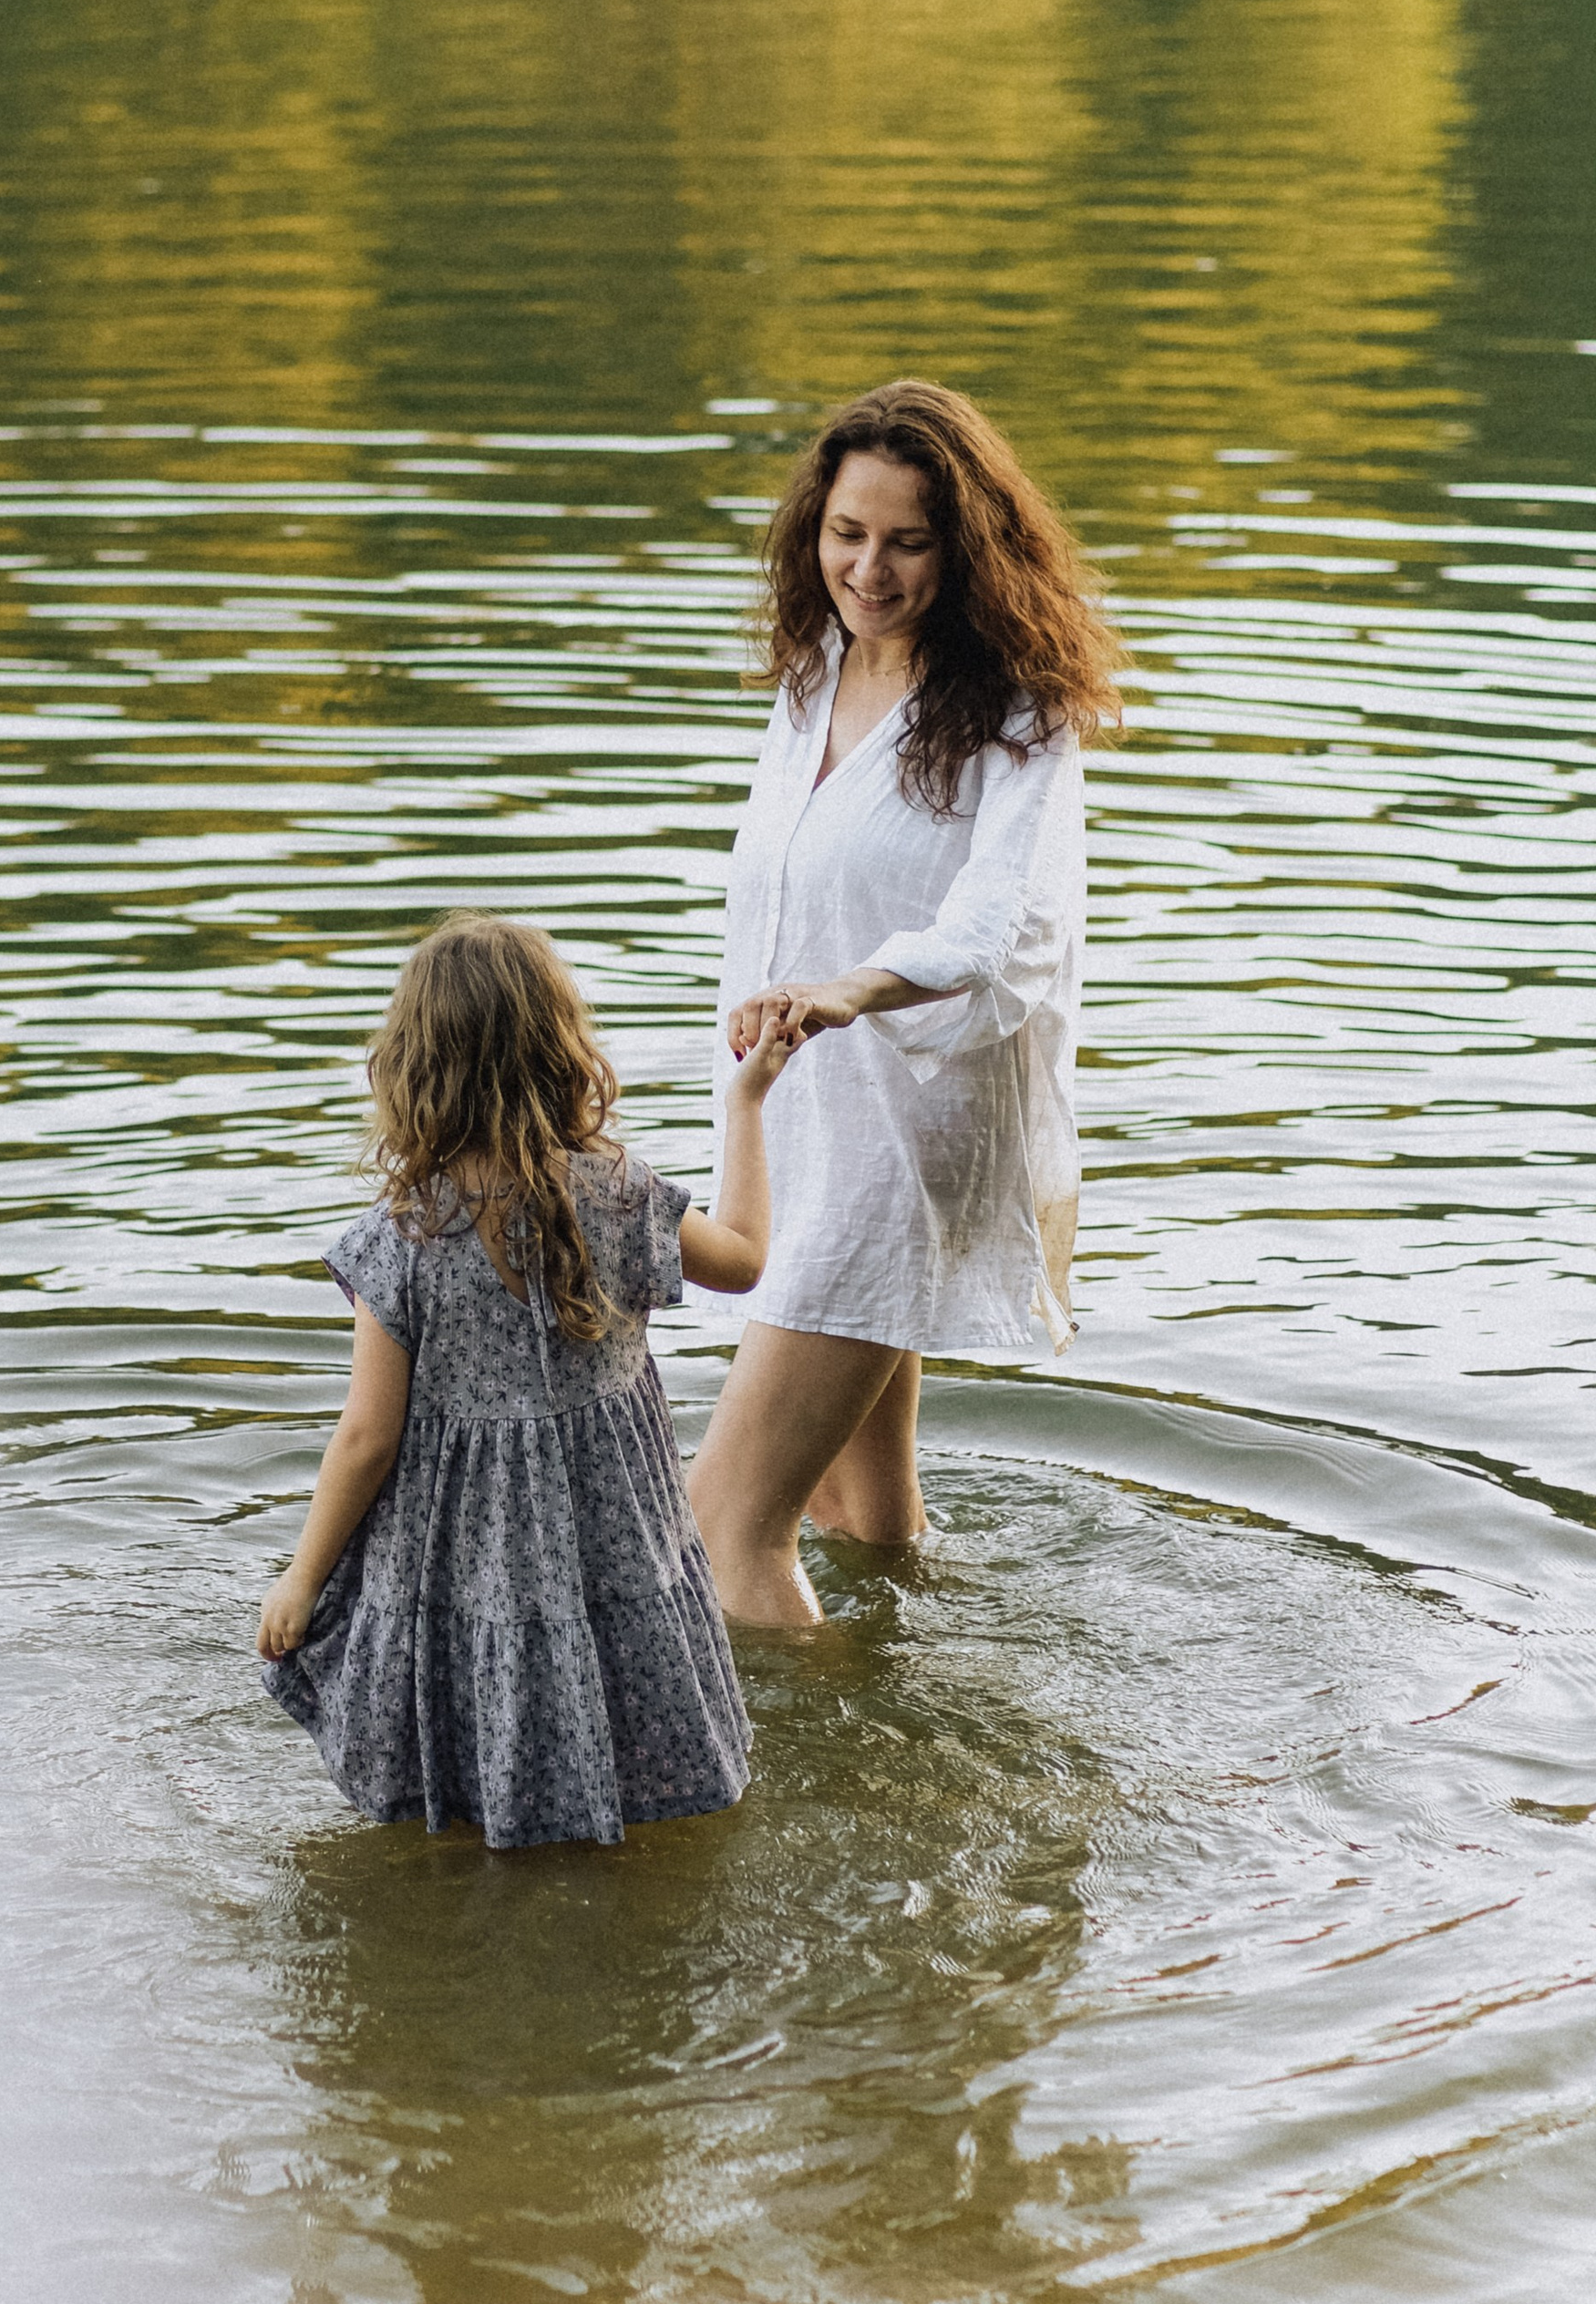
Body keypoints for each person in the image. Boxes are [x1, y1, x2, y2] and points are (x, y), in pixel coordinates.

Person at [686, 380, 1119, 1632]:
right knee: (856, 1521)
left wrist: (848, 991)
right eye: (846, 532)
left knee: (721, 1531)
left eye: (908, 542)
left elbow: (991, 934)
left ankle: (840, 1793)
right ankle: (908, 1699)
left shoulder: (1019, 715)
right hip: (799, 1120)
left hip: (906, 1131)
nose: (867, 569)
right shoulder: (813, 669)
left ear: (967, 546)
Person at [258, 911, 804, 1850]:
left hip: (466, 1561)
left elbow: (365, 1439)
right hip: (612, 1539)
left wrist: (301, 1579)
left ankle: (485, 1855)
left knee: (474, 1752)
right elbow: (747, 1258)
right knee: (614, 1690)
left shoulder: (403, 1237)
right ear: (560, 1047)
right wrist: (746, 1105)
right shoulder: (617, 1190)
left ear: (411, 1066)